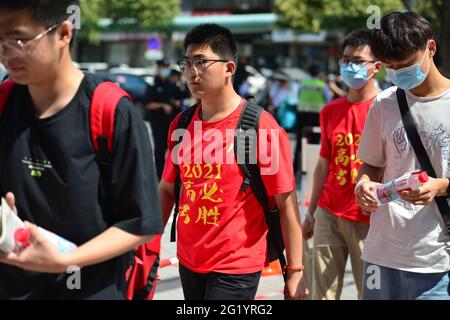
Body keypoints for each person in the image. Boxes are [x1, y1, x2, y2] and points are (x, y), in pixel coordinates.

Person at [0, 0, 163, 299]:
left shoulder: (110, 111)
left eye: (19, 40)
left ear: (63, 33)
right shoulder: (4, 102)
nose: (7, 52)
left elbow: (141, 224)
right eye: (0, 41)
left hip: (89, 289)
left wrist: (66, 261)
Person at [159, 24, 308, 300]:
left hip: (236, 265)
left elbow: (286, 202)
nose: (192, 72)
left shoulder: (259, 126)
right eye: (187, 63)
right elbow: (168, 189)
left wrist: (295, 270)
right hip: (189, 260)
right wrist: (148, 247)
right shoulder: (181, 125)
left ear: (229, 68)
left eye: (201, 62)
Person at [355, 12, 450, 300]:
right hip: (382, 254)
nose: (398, 73)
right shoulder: (383, 104)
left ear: (430, 48)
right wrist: (363, 186)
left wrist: (441, 186)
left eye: (406, 64)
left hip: (437, 260)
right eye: (391, 68)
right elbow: (370, 165)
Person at [302, 30, 381, 300]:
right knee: (322, 294)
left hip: (369, 219)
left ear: (376, 67)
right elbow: (323, 166)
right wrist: (311, 213)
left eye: (358, 61)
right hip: (329, 212)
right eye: (346, 60)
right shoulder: (330, 111)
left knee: (369, 293)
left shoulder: (385, 108)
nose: (350, 66)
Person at [145, 61, 185, 179]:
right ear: (158, 68)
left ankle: (174, 174)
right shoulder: (153, 85)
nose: (165, 70)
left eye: (167, 67)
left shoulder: (171, 84)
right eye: (163, 68)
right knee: (160, 149)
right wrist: (162, 106)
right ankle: (159, 175)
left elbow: (183, 96)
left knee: (175, 148)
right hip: (158, 122)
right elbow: (148, 104)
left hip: (172, 122)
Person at [293, 64, 330, 176]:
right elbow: (327, 100)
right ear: (318, 73)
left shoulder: (302, 83)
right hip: (316, 116)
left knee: (299, 142)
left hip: (302, 114)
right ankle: (312, 166)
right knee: (314, 142)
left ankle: (296, 169)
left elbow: (298, 96)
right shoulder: (322, 85)